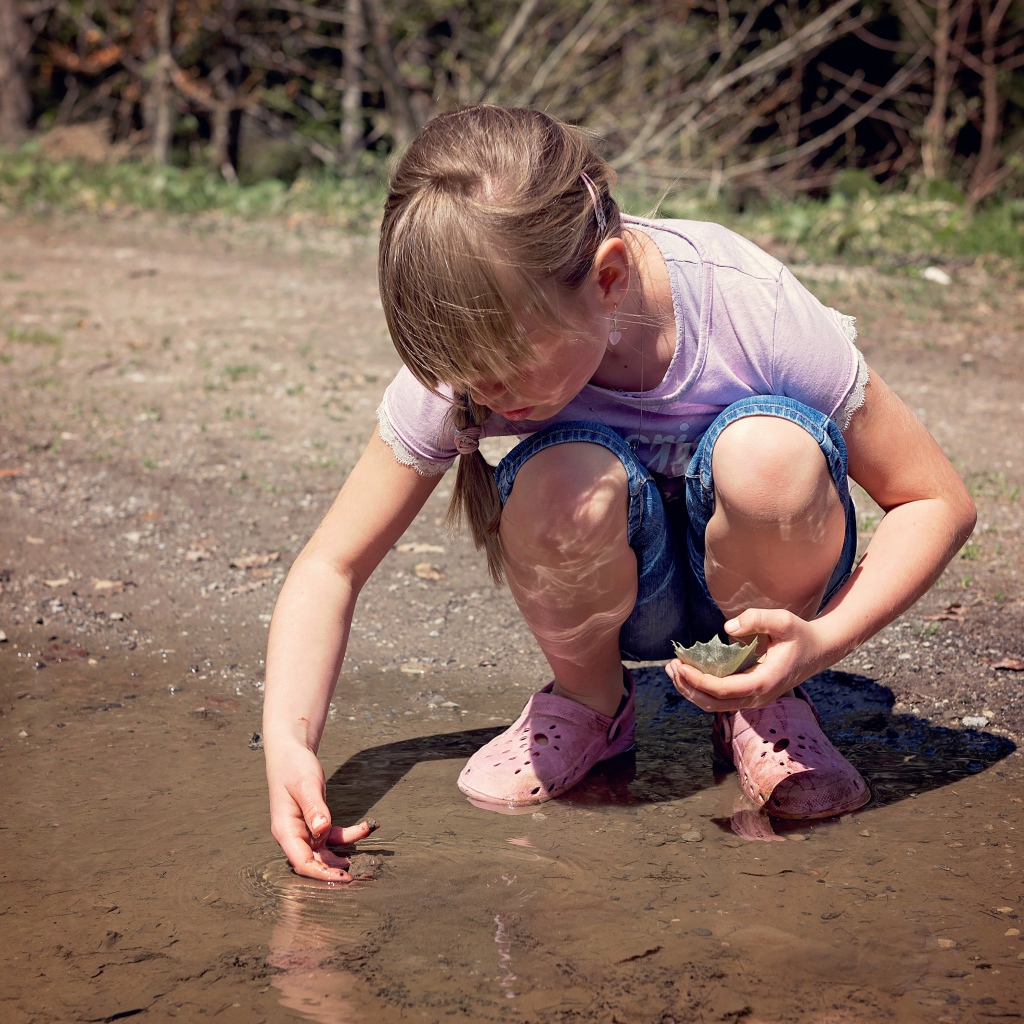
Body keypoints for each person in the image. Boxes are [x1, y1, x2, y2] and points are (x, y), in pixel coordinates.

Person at [262, 105, 976, 881]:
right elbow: (331, 565)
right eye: (466, 375)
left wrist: (820, 646)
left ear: (606, 279)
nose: (483, 390)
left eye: (504, 369)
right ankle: (590, 705)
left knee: (767, 455)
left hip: (772, 590)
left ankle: (763, 700)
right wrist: (292, 749)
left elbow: (934, 500)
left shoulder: (746, 305)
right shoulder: (471, 352)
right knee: (561, 481)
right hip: (617, 596)